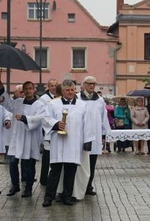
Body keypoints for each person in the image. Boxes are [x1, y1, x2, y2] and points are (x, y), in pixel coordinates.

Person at [42, 79, 93, 207]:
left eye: (72, 90)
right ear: (62, 91)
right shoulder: (52, 104)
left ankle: (67, 195)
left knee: (71, 171)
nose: (70, 92)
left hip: (74, 143)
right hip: (58, 142)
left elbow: (88, 124)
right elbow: (46, 118)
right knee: (55, 171)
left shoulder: (82, 105)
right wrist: (55, 124)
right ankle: (49, 197)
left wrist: (88, 141)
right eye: (67, 90)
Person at [7, 81, 45, 197]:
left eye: (30, 88)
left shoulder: (39, 105)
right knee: (13, 162)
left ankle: (28, 188)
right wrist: (0, 90)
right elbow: (6, 104)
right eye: (26, 89)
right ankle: (15, 185)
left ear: (33, 90)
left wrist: (24, 118)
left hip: (30, 137)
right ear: (22, 91)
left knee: (29, 163)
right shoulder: (18, 103)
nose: (28, 91)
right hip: (17, 136)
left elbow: (40, 118)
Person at [79, 76, 110, 194]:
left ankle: (89, 186)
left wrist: (103, 134)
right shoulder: (77, 98)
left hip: (95, 135)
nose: (92, 86)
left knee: (92, 162)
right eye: (89, 83)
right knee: (81, 163)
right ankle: (79, 186)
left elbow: (103, 117)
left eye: (94, 84)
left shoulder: (100, 100)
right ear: (84, 85)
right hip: (81, 135)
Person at [38, 78, 59, 186]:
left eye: (56, 85)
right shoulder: (43, 99)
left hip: (57, 129)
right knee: (46, 156)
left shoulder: (60, 97)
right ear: (48, 87)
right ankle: (43, 178)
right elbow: (42, 114)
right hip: (47, 129)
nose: (54, 87)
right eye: (52, 85)